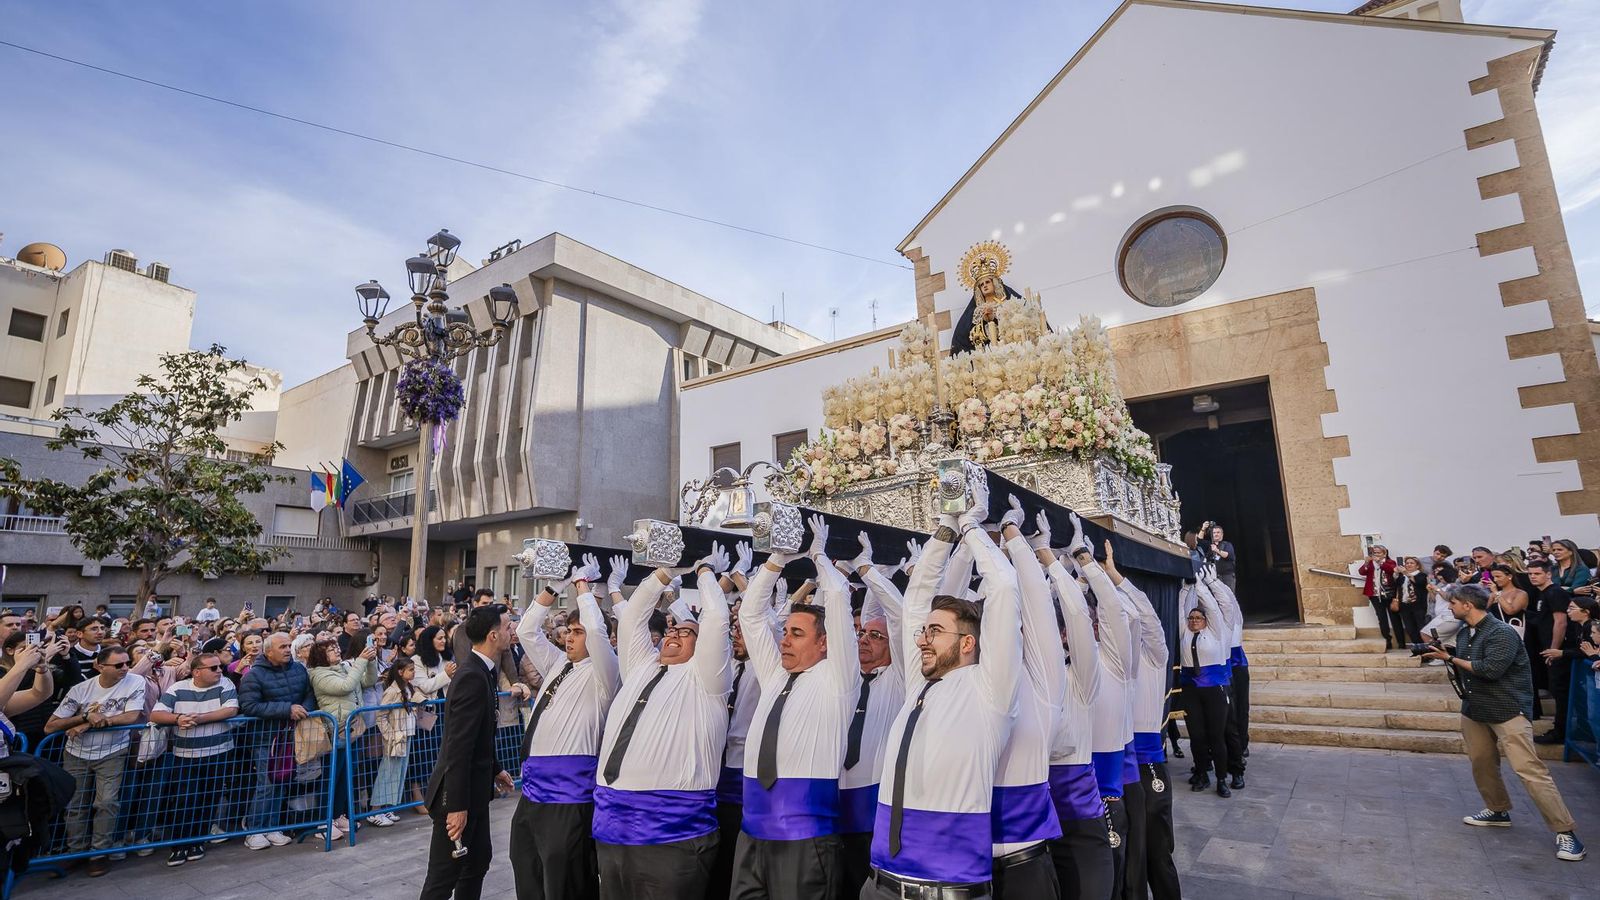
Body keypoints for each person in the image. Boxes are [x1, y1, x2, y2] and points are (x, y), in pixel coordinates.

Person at [863, 493, 1022, 898]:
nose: (922, 639)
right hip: (880, 882)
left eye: (935, 631)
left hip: (945, 888)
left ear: (968, 643)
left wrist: (970, 526)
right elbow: (916, 596)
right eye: (924, 631)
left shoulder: (991, 690)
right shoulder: (921, 685)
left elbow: (1004, 588)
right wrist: (944, 529)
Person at [591, 549, 733, 900]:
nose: (674, 634)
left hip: (671, 833)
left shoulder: (707, 678)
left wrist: (703, 570)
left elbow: (716, 618)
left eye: (686, 633)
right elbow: (633, 616)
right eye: (673, 628)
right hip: (611, 824)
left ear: (704, 649)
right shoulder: (641, 666)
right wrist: (665, 572)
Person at [730, 517, 857, 900]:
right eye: (785, 632)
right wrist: (776, 560)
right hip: (751, 833)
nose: (784, 640)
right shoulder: (774, 676)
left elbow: (836, 600)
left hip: (805, 840)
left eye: (796, 634)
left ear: (824, 643)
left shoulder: (837, 680)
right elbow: (751, 616)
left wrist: (818, 553)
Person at [1419, 584, 1584, 861]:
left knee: (1529, 770)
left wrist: (1449, 658)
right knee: (1482, 762)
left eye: (1454, 603)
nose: (1450, 608)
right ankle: (1497, 810)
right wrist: (1446, 654)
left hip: (1508, 709)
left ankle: (1566, 832)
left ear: (1468, 605)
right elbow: (1467, 666)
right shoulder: (1464, 633)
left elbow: (1489, 670)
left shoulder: (1502, 633)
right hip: (1475, 709)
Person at [509, 556, 619, 900]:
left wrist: (583, 588)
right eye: (568, 632)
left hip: (569, 795)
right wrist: (554, 587)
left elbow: (599, 633)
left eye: (577, 632)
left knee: (564, 879)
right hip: (532, 791)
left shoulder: (605, 672)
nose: (569, 638)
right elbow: (526, 630)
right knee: (526, 867)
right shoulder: (558, 663)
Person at [419, 604, 519, 900]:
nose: (511, 630)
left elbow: (479, 738)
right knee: (442, 879)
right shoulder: (471, 676)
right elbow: (458, 748)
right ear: (492, 635)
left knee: (476, 863)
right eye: (507, 626)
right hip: (457, 796)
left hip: (476, 792)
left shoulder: (483, 672)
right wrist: (457, 807)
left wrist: (495, 769)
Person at [842, 536, 909, 898]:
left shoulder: (899, 679)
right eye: (862, 635)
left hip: (874, 807)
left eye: (875, 637)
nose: (864, 640)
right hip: (835, 802)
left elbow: (898, 616)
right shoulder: (846, 679)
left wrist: (869, 572)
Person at [46, 645, 146, 877]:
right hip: (76, 753)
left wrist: (91, 723)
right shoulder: (81, 690)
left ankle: (98, 853)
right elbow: (50, 725)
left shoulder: (135, 682)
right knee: (75, 805)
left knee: (106, 803)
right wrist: (82, 717)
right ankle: (75, 852)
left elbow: (132, 715)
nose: (125, 668)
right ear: (99, 666)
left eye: (127, 663)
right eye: (118, 665)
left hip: (113, 751)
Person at [149, 650, 238, 867]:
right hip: (186, 755)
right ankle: (180, 844)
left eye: (220, 667)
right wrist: (178, 719)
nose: (219, 671)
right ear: (197, 672)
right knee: (185, 798)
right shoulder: (178, 688)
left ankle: (198, 840)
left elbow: (231, 709)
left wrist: (198, 718)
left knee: (210, 797)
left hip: (218, 752)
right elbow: (156, 714)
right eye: (213, 668)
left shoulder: (225, 684)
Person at [238, 633, 316, 851]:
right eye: (282, 646)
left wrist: (304, 709)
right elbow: (249, 706)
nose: (286, 650)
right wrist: (286, 710)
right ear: (268, 651)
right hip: (267, 738)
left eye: (289, 646)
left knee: (282, 780)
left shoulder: (298, 669)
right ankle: (254, 829)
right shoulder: (254, 675)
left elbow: (308, 694)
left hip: (291, 736)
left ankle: (272, 826)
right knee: (267, 783)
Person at [1179, 577, 1232, 796]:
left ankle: (1221, 778)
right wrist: (1185, 588)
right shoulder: (1185, 633)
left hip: (1214, 689)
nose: (1193, 621)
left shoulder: (1215, 632)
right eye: (1191, 618)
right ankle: (1201, 773)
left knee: (1216, 736)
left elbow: (1212, 607)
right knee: (1197, 735)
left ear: (1205, 620)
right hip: (1191, 689)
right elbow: (1180, 609)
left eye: (1198, 618)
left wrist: (1199, 584)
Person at [370, 655, 418, 827]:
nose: (413, 672)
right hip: (395, 737)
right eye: (410, 670)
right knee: (387, 773)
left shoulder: (407, 688)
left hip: (406, 735)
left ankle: (386, 807)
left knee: (397, 773)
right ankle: (375, 810)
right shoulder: (392, 691)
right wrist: (391, 736)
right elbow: (381, 716)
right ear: (400, 672)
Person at [1526, 561, 1572, 745]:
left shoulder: (1555, 592)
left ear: (1548, 574)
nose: (1533, 576)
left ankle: (1561, 732)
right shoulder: (1542, 594)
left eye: (1537, 573)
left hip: (1557, 651)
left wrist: (1554, 649)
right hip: (1546, 649)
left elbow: (1561, 622)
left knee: (1561, 694)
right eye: (1530, 574)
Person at [1358, 546, 1402, 650]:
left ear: (1384, 553)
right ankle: (1387, 641)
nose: (1376, 554)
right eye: (1374, 552)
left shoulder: (1390, 562)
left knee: (1395, 618)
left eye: (1378, 552)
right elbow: (1362, 572)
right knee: (1382, 618)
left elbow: (1391, 570)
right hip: (1375, 595)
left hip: (1389, 594)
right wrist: (1366, 563)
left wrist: (1381, 563)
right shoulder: (1371, 563)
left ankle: (1401, 642)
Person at [1397, 557, 1430, 646]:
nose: (1409, 565)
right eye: (1407, 563)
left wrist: (1406, 573)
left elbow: (1418, 582)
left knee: (1421, 627)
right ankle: (1417, 648)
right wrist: (1396, 573)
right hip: (1405, 605)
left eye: (1411, 563)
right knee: (1410, 629)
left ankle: (1425, 649)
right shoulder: (1402, 576)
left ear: (1417, 565)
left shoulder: (1422, 575)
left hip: (1418, 606)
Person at [1206, 524, 1236, 593]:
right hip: (1215, 577)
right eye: (1214, 533)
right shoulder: (1211, 547)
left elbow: (1227, 555)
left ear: (1222, 534)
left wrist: (1216, 550)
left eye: (1218, 532)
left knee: (1229, 597)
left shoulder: (1227, 544)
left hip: (1227, 576)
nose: (1216, 534)